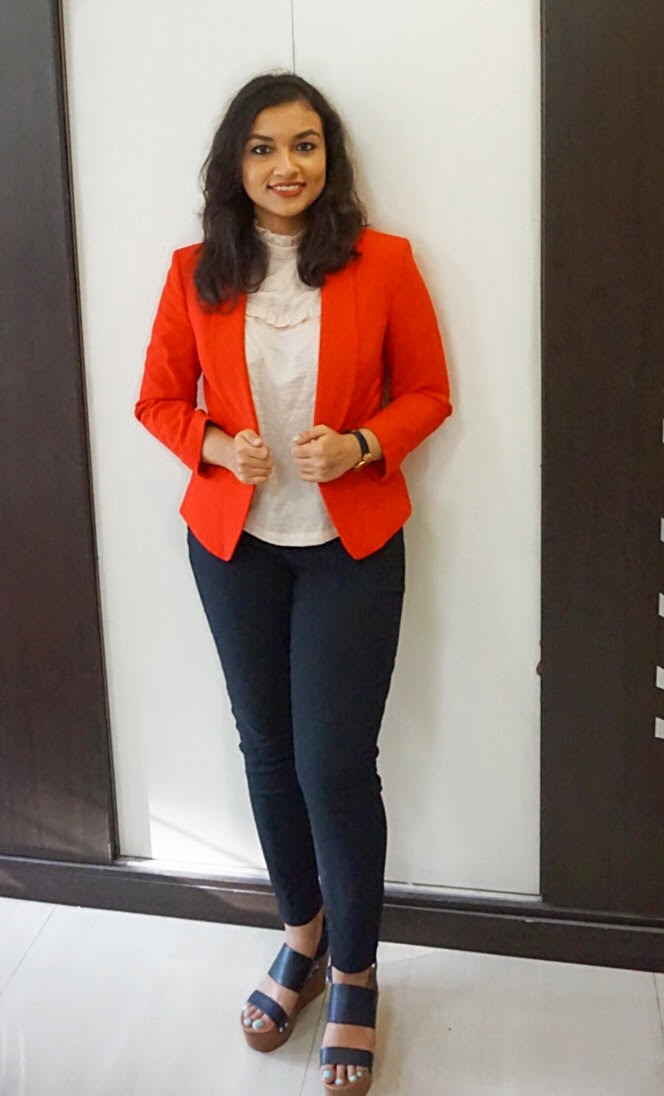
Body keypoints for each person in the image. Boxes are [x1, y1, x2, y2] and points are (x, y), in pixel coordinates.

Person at [134, 71, 452, 1094]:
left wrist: (361, 444)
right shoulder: (195, 271)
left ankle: (355, 972)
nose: (286, 165)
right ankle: (301, 935)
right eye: (264, 147)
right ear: (236, 163)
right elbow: (156, 401)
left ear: (329, 157)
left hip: (348, 547)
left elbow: (429, 393)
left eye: (305, 145)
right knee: (267, 752)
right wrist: (214, 443)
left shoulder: (384, 262)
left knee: (334, 765)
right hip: (235, 548)